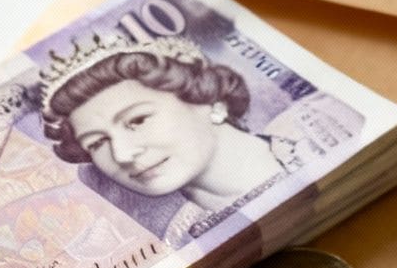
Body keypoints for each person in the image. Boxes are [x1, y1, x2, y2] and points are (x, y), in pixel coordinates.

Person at [40, 37, 305, 247]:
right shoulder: (180, 240)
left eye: (137, 120)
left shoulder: (316, 130)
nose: (122, 154)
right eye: (96, 143)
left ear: (209, 99)